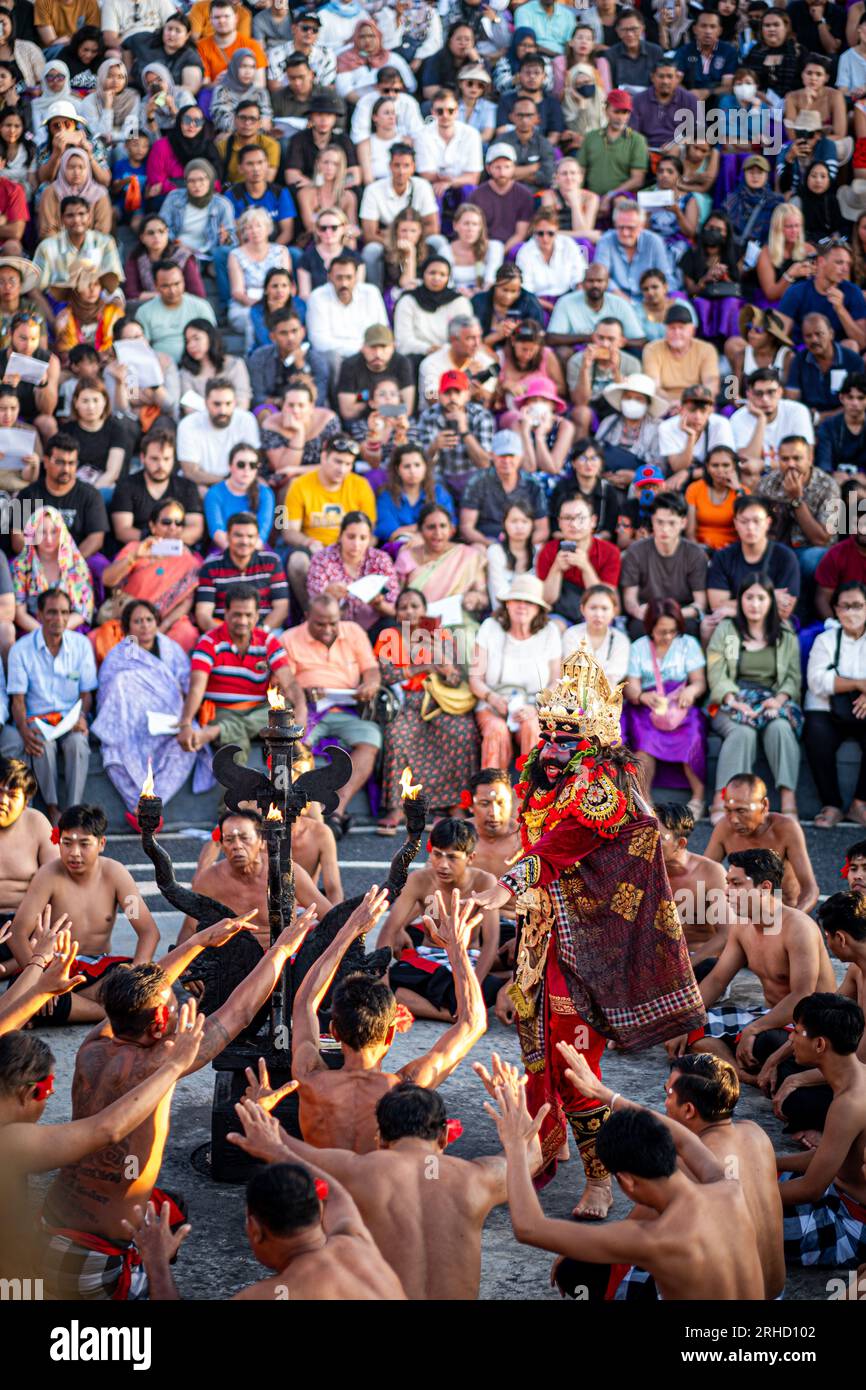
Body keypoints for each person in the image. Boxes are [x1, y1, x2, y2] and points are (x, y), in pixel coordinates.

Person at [474, 647, 705, 1216]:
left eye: (566, 733)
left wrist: (505, 887)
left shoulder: (602, 787)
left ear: (596, 736)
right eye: (548, 729)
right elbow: (541, 851)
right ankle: (536, 1156)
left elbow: (561, 848)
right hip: (539, 936)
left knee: (575, 1066)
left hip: (590, 944)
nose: (553, 743)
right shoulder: (545, 777)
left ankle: (601, 1179)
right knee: (536, 1059)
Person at [40, 906, 317, 1298]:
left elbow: (140, 993)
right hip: (94, 1260)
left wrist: (197, 942)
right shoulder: (163, 1061)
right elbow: (238, 1011)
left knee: (172, 1208)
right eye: (171, 1007)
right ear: (157, 1026)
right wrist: (282, 950)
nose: (178, 1009)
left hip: (52, 1221)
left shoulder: (94, 1044)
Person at [229, 1063, 544, 1301]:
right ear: (445, 1136)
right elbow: (531, 1157)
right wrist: (513, 1100)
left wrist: (260, 1108)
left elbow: (277, 1144)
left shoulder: (358, 1170)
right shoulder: (478, 1179)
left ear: (379, 1139)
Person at [543, 1047, 774, 1302]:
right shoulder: (754, 1132)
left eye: (669, 1092)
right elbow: (682, 1138)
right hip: (773, 1291)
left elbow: (627, 1233)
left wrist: (573, 1246)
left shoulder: (686, 1168)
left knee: (577, 1268)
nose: (663, 1101)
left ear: (688, 1110)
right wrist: (606, 1095)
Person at [129, 1157, 407, 1301]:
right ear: (319, 1213)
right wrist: (272, 1142)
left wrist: (156, 1263)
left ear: (256, 1230)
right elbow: (337, 1193)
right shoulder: (361, 1248)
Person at [667, 848, 837, 1082]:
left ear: (765, 887)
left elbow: (802, 996)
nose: (726, 892)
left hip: (810, 1024)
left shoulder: (798, 927)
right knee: (693, 1028)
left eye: (736, 884)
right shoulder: (741, 925)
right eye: (727, 883)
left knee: (762, 1043)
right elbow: (717, 980)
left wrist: (754, 1029)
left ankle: (746, 1063)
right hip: (767, 1016)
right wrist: (685, 1022)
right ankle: (739, 1073)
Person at [8, 802, 160, 1023]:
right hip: (54, 965)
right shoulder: (48, 875)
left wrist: (135, 978)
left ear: (101, 844)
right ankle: (110, 1013)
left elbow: (148, 932)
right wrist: (39, 978)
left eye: (84, 844)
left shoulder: (116, 874)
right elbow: (18, 933)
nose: (74, 853)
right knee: (23, 994)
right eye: (67, 843)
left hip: (99, 969)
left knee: (153, 986)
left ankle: (61, 1007)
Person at [91, 599, 212, 823]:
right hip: (130, 726)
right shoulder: (119, 656)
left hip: (168, 721)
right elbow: (109, 694)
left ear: (156, 622)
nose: (144, 626)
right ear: (127, 628)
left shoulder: (171, 650)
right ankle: (139, 808)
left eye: (148, 620)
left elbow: (187, 685)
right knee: (114, 753)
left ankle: (151, 804)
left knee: (188, 744)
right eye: (137, 621)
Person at [374, 588, 479, 833]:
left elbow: (454, 680)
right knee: (397, 735)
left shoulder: (441, 637)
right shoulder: (389, 636)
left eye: (415, 606)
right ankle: (397, 807)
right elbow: (385, 674)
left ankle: (455, 804)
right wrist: (422, 666)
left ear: (425, 611)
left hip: (439, 700)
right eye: (403, 607)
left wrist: (440, 659)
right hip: (405, 701)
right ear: (397, 613)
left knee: (463, 731)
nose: (409, 611)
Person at [776, 993, 866, 1270]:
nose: (790, 1038)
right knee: (740, 1172)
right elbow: (825, 1157)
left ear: (819, 1044)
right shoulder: (858, 1078)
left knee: (729, 1220)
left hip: (851, 1224)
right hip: (837, 1193)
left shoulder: (849, 1104)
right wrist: (763, 1160)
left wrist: (746, 1192)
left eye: (797, 1031)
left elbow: (810, 1188)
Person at [280, 594, 382, 836]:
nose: (328, 629)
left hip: (348, 708)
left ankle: (335, 810)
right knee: (297, 745)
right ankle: (309, 813)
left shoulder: (354, 631)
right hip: (309, 709)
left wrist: (369, 685)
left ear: (341, 617)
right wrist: (304, 692)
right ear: (307, 618)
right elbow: (287, 683)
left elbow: (371, 669)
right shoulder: (290, 638)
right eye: (320, 624)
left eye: (333, 623)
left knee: (371, 739)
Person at [706, 574, 804, 820]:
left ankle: (789, 799)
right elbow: (716, 670)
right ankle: (722, 801)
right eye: (749, 597)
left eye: (761, 598)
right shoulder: (727, 630)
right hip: (733, 698)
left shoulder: (784, 632)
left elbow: (793, 676)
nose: (755, 604)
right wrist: (732, 700)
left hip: (771, 700)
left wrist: (779, 700)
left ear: (770, 600)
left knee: (781, 728)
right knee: (742, 732)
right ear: (740, 600)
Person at [178, 585, 305, 770]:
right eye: (237, 614)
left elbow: (290, 682)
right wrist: (186, 723)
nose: (242, 621)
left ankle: (218, 732)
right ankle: (223, 730)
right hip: (222, 711)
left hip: (258, 711)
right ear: (226, 613)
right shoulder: (209, 642)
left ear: (257, 615)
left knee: (284, 710)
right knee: (235, 749)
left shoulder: (268, 641)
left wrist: (301, 710)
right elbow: (197, 687)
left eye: (248, 615)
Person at [5, 589, 97, 824]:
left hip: (70, 718)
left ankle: (74, 810)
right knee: (41, 745)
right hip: (38, 720)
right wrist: (24, 730)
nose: (59, 618)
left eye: (64, 612)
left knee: (78, 743)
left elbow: (87, 694)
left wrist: (83, 716)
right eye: (52, 612)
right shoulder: (21, 650)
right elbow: (18, 700)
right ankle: (54, 809)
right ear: (40, 614)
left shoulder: (81, 645)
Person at [177, 809, 330, 949]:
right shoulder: (208, 880)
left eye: (245, 838)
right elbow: (189, 931)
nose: (237, 846)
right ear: (222, 845)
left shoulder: (287, 871)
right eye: (229, 840)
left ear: (261, 841)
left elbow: (330, 915)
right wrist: (187, 971)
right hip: (231, 961)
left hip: (281, 956)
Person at [623, 598, 708, 819]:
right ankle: (645, 800)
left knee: (692, 738)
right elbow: (631, 687)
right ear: (651, 627)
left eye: (672, 631)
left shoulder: (688, 643)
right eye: (662, 631)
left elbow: (699, 681)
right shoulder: (639, 647)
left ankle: (698, 798)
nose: (668, 636)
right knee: (645, 744)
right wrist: (642, 696)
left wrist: (691, 691)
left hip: (680, 705)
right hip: (647, 708)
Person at [470, 577, 562, 771]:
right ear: (507, 604)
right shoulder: (490, 627)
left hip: (533, 705)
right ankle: (493, 792)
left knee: (532, 727)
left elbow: (557, 681)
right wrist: (493, 698)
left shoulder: (549, 631)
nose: (522, 606)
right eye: (516, 600)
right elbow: (475, 679)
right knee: (496, 730)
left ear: (538, 608)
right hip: (492, 702)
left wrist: (536, 707)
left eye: (529, 602)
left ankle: (530, 794)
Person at [282, 435, 375, 609]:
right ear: (324, 457)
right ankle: (310, 613)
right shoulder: (299, 485)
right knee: (297, 561)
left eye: (348, 464)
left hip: (350, 550)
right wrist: (308, 542)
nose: (342, 469)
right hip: (314, 550)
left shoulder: (361, 485)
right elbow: (287, 531)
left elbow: (371, 532)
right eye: (337, 462)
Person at [99, 498, 201, 655]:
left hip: (167, 621)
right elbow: (107, 580)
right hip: (129, 617)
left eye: (178, 523)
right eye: (166, 522)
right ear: (153, 526)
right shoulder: (135, 548)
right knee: (102, 637)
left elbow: (186, 602)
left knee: (186, 633)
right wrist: (135, 556)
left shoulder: (189, 561)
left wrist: (162, 627)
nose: (173, 527)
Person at [805, 581, 866, 828]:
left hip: (863, 710)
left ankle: (859, 803)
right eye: (845, 606)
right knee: (816, 733)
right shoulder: (825, 640)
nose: (851, 612)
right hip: (827, 708)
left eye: (858, 605)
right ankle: (831, 804)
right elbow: (816, 681)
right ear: (836, 609)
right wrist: (859, 684)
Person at [703, 494, 800, 642]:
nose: (750, 527)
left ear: (768, 522)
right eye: (744, 521)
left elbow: (784, 609)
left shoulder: (785, 557)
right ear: (735, 523)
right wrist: (770, 597)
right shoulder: (723, 557)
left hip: (771, 621)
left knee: (785, 628)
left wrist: (733, 606)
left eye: (757, 521)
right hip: (735, 620)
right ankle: (717, 665)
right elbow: (717, 606)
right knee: (708, 625)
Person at [395, 503, 488, 647]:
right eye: (431, 527)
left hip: (457, 622)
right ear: (420, 530)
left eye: (443, 526)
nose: (438, 533)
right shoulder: (406, 557)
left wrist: (474, 598)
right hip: (417, 624)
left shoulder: (467, 556)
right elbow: (397, 598)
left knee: (465, 640)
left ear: (452, 529)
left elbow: (482, 596)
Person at [621, 493, 709, 641]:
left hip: (682, 613)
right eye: (659, 522)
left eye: (671, 523)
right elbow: (630, 599)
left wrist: (671, 614)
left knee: (691, 629)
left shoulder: (695, 554)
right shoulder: (635, 552)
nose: (665, 529)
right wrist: (639, 611)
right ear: (652, 521)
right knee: (637, 629)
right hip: (648, 613)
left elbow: (700, 603)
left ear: (683, 523)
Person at [656, 804, 730, 974]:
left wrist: (686, 964)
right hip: (660, 962)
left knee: (708, 968)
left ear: (680, 843)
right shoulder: (644, 870)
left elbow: (726, 934)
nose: (649, 843)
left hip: (701, 960)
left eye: (658, 837)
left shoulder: (710, 871)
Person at [306, 256, 387, 400]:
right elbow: (318, 341)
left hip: (369, 351)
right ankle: (341, 407)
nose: (344, 283)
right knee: (332, 359)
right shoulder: (317, 296)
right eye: (339, 278)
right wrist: (359, 350)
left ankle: (383, 407)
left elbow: (382, 330)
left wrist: (368, 351)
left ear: (356, 277)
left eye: (349, 277)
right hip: (338, 356)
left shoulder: (371, 293)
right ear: (329, 277)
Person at [109, 428, 204, 551]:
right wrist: (158, 542)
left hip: (180, 550)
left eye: (166, 459)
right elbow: (122, 531)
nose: (161, 465)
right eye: (154, 459)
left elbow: (196, 529)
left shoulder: (187, 487)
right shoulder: (126, 485)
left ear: (173, 459)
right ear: (143, 458)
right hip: (139, 551)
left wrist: (166, 544)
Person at [307, 511, 397, 635]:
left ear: (370, 539)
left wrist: (378, 603)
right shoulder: (322, 559)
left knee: (391, 627)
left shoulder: (380, 559)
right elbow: (313, 606)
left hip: (372, 627)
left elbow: (394, 610)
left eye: (363, 538)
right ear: (340, 536)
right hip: (334, 628)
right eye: (351, 537)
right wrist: (328, 595)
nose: (356, 544)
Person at [194, 514, 287, 634]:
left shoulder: (272, 562)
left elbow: (281, 608)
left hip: (264, 631)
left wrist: (261, 631)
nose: (244, 541)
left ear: (257, 538)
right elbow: (203, 614)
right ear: (227, 536)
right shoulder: (210, 566)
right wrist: (228, 635)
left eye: (250, 536)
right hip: (221, 632)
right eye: (238, 535)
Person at [459, 429, 547, 551]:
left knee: (540, 549)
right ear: (491, 455)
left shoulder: (532, 484)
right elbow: (466, 527)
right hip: (487, 541)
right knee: (476, 549)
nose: (506, 461)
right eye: (502, 455)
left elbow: (542, 529)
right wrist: (491, 544)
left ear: (520, 456)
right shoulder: (477, 481)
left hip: (523, 540)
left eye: (511, 455)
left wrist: (520, 544)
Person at [11, 506, 93, 635]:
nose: (49, 539)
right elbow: (19, 613)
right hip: (32, 631)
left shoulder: (76, 564)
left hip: (69, 631)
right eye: (42, 532)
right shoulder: (21, 566)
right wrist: (44, 633)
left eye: (54, 532)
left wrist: (58, 631)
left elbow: (82, 611)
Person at [416, 370, 494, 502]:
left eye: (458, 392)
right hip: (441, 477)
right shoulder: (428, 416)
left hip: (472, 475)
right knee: (433, 482)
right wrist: (434, 446)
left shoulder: (481, 415)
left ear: (467, 395)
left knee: (484, 481)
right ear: (439, 395)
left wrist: (465, 432)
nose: (452, 397)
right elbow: (420, 463)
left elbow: (484, 463)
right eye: (447, 392)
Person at [777, 238, 866, 352]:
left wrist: (840, 309)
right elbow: (779, 334)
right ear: (821, 262)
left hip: (837, 356)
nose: (845, 269)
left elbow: (862, 342)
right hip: (803, 353)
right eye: (839, 262)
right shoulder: (796, 291)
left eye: (848, 264)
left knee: (851, 345)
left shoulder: (853, 292)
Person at [175, 378, 260, 490]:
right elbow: (190, 472)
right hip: (202, 483)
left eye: (228, 404)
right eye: (217, 404)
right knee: (200, 490)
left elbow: (253, 461)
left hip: (240, 480)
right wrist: (227, 482)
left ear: (235, 402)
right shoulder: (188, 424)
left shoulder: (246, 420)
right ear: (206, 402)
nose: (223, 411)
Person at [576, 90, 649, 217]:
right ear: (606, 110)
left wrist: (611, 195)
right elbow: (580, 171)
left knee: (619, 202)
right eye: (616, 111)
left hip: (622, 197)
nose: (621, 117)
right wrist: (579, 196)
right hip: (592, 196)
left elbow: (637, 179)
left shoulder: (637, 140)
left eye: (625, 112)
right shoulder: (591, 137)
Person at [134, 259, 216, 364]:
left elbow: (213, 339)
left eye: (177, 283)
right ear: (156, 286)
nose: (172, 290)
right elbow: (141, 349)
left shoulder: (200, 306)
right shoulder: (144, 312)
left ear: (183, 281)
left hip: (198, 365)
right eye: (165, 286)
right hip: (162, 369)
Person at [642, 304, 721, 408]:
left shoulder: (706, 349)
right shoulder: (652, 349)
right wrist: (673, 404)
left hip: (697, 403)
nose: (676, 332)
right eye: (672, 328)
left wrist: (688, 403)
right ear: (665, 330)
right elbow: (653, 386)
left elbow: (711, 383)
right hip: (664, 404)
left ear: (692, 330)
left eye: (681, 328)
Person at [203, 444, 274, 555]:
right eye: (241, 465)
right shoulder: (214, 493)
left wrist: (248, 554)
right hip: (223, 550)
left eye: (252, 465)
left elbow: (263, 531)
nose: (247, 469)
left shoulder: (266, 494)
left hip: (257, 549)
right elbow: (216, 530)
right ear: (230, 466)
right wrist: (237, 555)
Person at [145, 106, 221, 201]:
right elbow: (156, 181)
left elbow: (216, 181)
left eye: (197, 122)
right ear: (179, 120)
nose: (192, 125)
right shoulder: (161, 146)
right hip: (170, 198)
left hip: (202, 198)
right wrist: (191, 190)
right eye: (187, 119)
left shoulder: (209, 148)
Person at [178, 319, 251, 412]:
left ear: (210, 337)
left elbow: (242, 401)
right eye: (187, 341)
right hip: (200, 422)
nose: (191, 345)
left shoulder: (234, 364)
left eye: (196, 338)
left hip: (234, 420)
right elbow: (189, 408)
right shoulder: (187, 372)